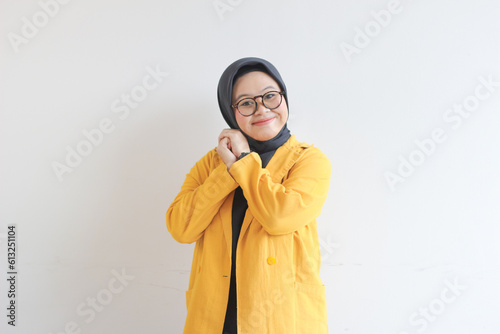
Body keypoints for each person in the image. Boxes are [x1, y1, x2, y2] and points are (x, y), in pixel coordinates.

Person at [166, 57, 331, 334]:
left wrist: (242, 160)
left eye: (270, 96)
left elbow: (278, 217)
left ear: (284, 98)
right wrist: (226, 171)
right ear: (231, 112)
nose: (261, 109)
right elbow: (180, 228)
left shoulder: (308, 161)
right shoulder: (212, 164)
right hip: (215, 320)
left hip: (282, 319)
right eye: (246, 102)